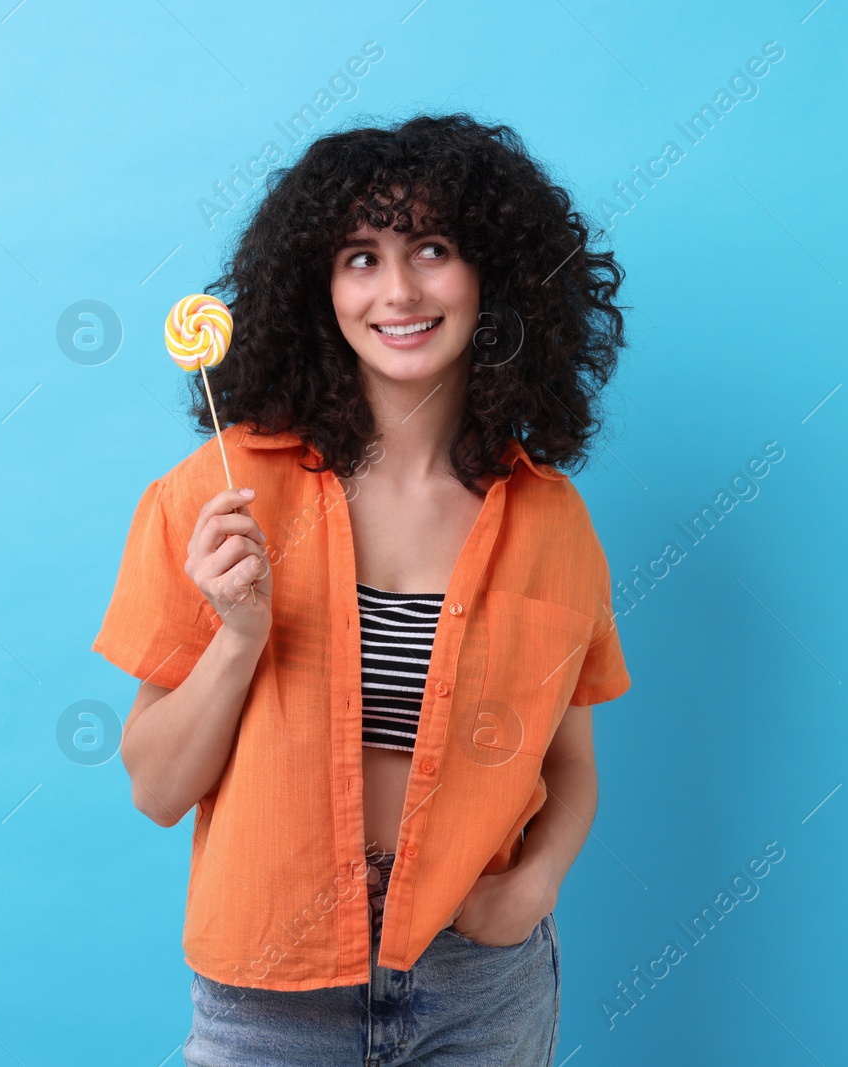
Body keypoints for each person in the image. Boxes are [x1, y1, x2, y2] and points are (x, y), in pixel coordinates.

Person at [91, 112, 632, 1066]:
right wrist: (239, 635)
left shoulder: (552, 520)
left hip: (483, 982)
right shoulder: (217, 495)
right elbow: (157, 788)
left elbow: (573, 765)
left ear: (494, 278)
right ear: (318, 285)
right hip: (272, 986)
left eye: (432, 248)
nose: (400, 290)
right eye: (360, 257)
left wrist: (536, 880)